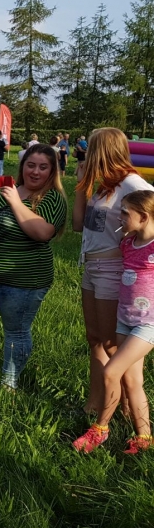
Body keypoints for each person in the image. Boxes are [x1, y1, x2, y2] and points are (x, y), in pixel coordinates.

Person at [0, 144, 67, 389]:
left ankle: (9, 384)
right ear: (22, 166)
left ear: (52, 171)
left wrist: (16, 202)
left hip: (22, 280)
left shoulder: (52, 199)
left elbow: (42, 233)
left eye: (43, 167)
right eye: (31, 165)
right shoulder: (13, 189)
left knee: (15, 332)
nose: (35, 171)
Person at [74, 127, 154, 415]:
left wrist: (139, 245)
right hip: (91, 266)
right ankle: (95, 403)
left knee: (111, 344)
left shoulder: (132, 184)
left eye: (91, 148)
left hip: (112, 268)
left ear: (102, 151)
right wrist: (82, 185)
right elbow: (78, 224)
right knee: (94, 338)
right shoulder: (102, 185)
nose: (86, 154)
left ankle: (125, 408)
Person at [74, 190, 154, 454]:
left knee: (110, 372)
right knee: (132, 381)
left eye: (125, 213)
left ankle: (100, 429)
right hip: (125, 319)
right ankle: (144, 437)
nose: (119, 217)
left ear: (143, 217)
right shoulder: (127, 243)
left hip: (148, 324)